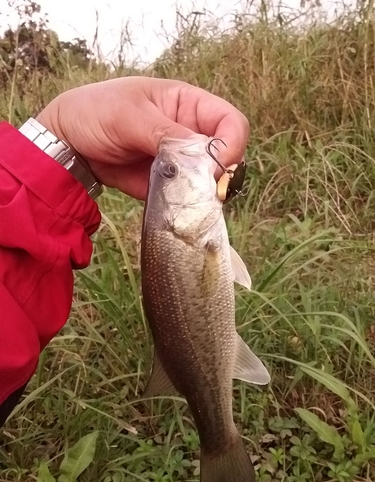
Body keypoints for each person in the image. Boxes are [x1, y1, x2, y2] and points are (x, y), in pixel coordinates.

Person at [0, 76, 250, 427]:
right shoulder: (192, 237)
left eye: (168, 171)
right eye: (170, 171)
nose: (170, 157)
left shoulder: (190, 235)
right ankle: (220, 435)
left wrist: (63, 141)